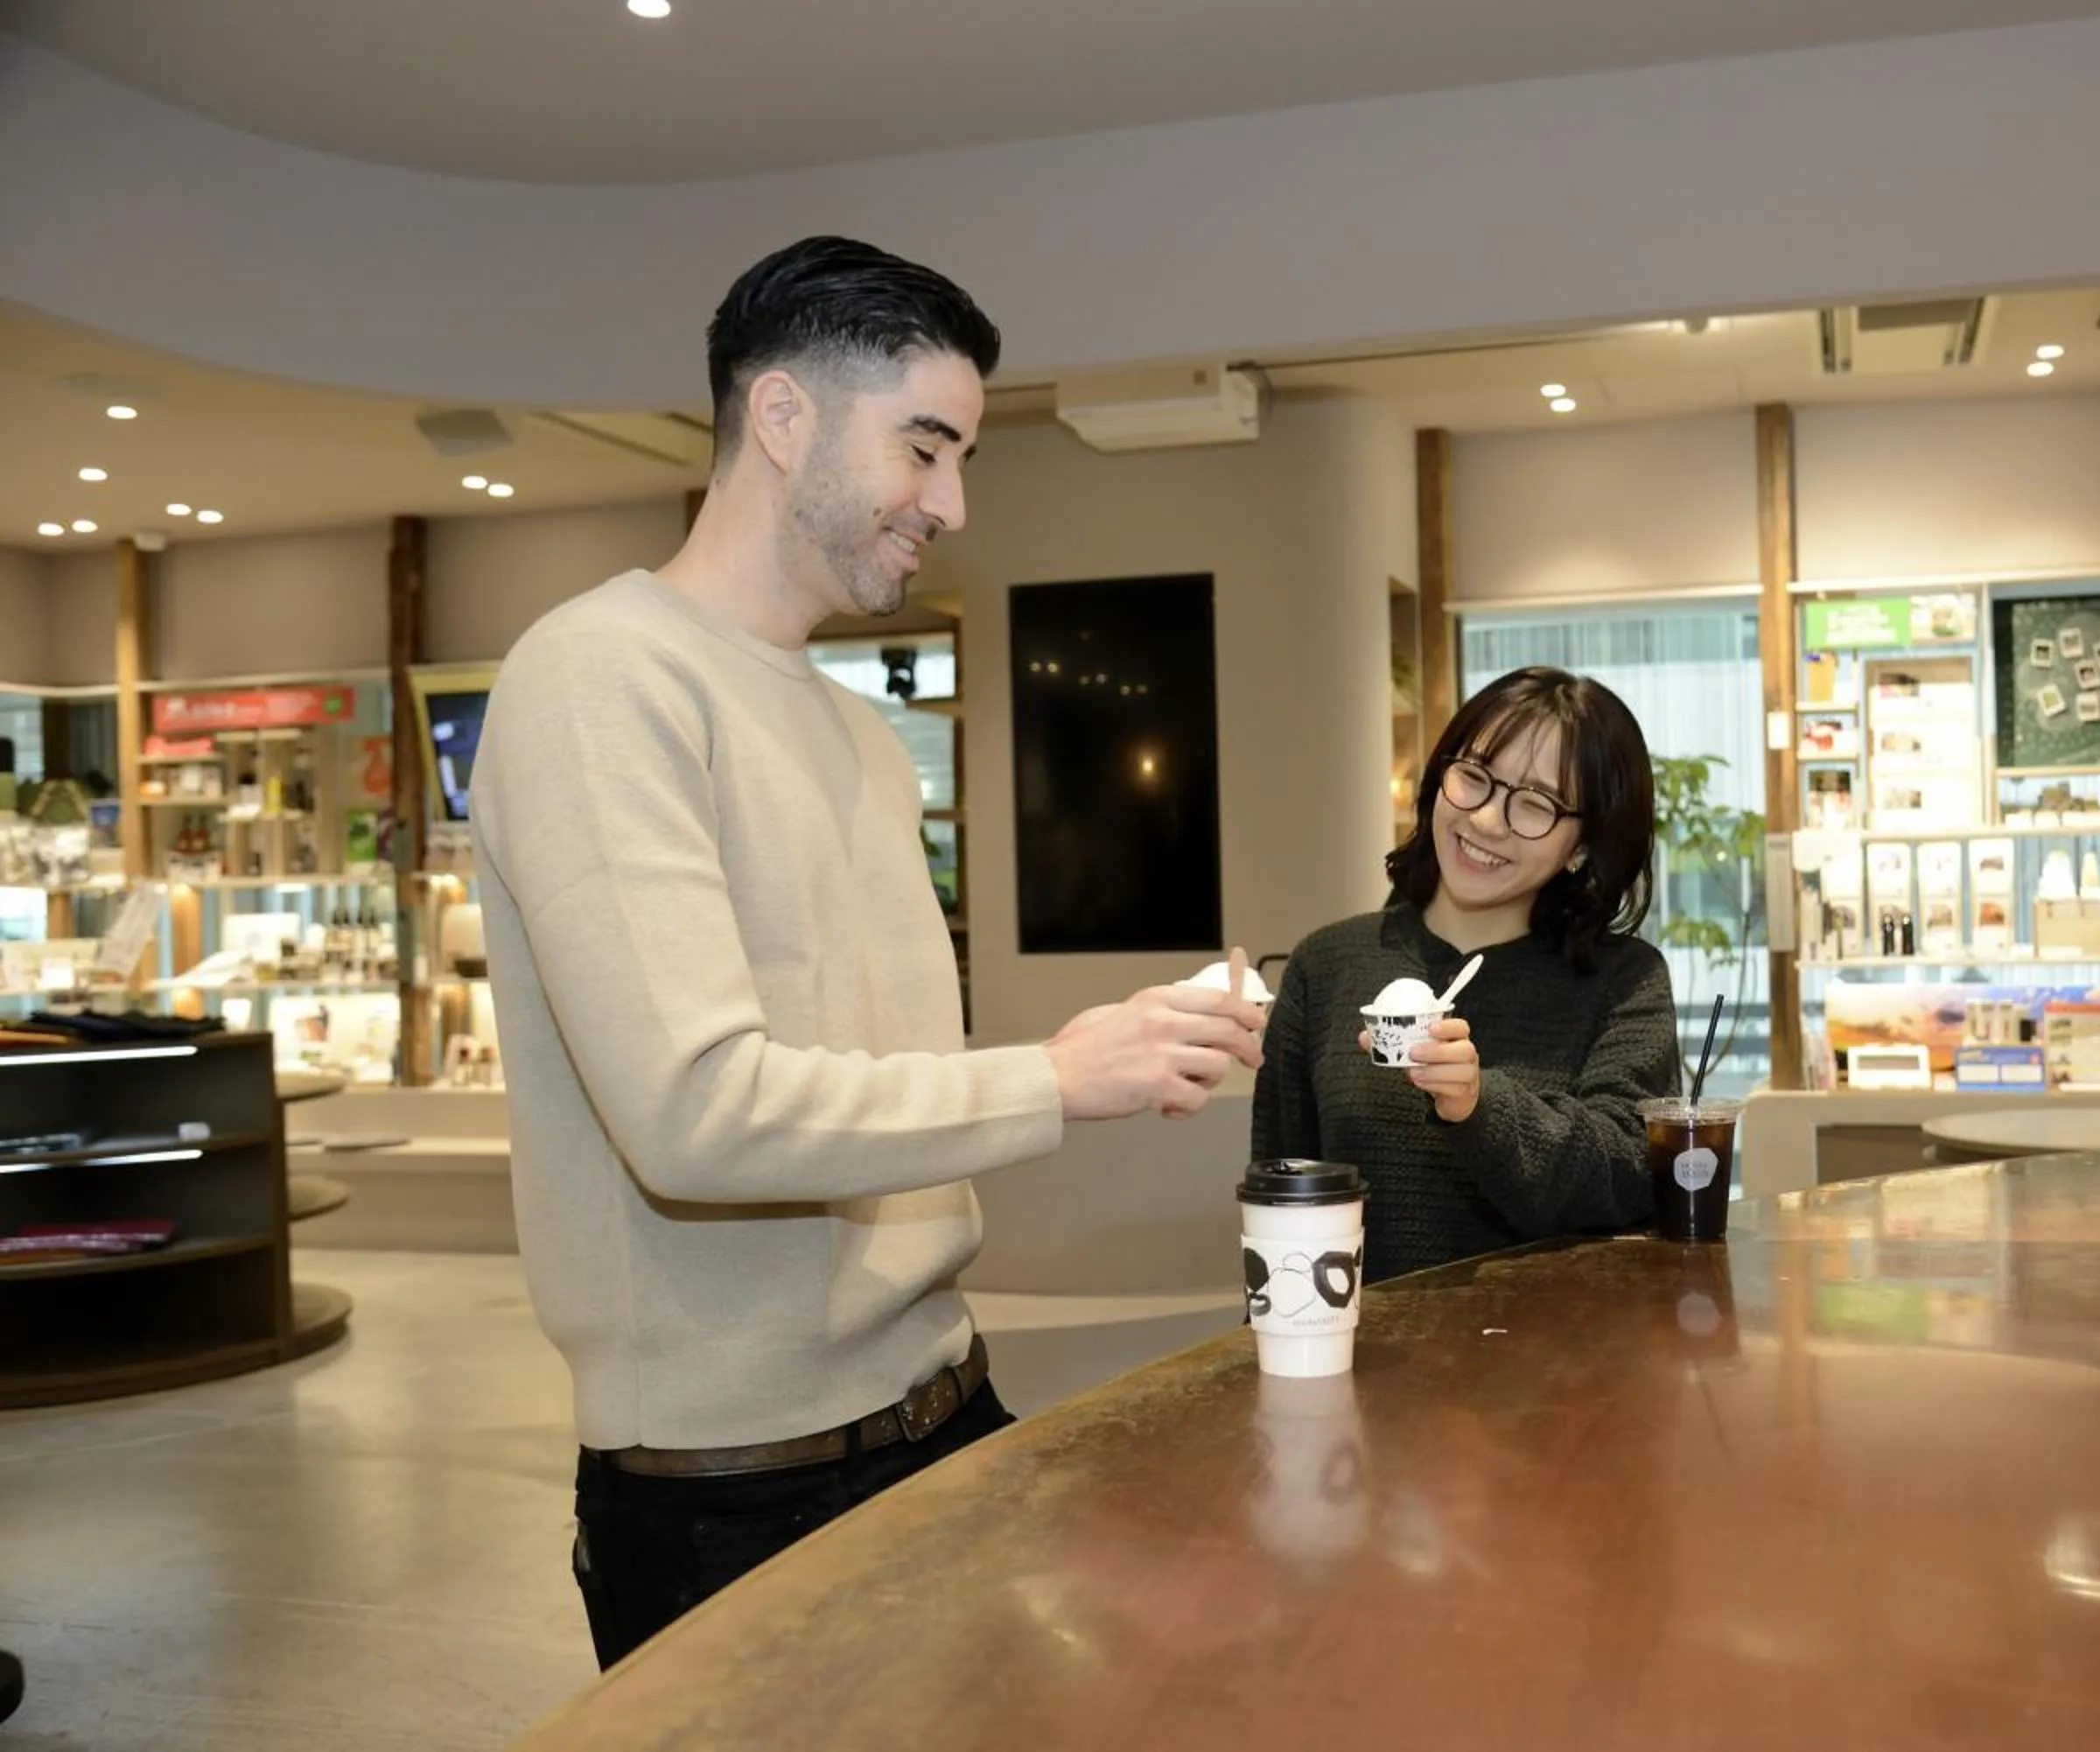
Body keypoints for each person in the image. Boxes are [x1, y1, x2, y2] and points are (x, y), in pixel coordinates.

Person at [472, 236, 1266, 1669]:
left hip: (944, 1402)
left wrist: (1105, 1043)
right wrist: (1053, 1077)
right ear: (783, 419)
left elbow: (867, 1076)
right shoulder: (599, 678)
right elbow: (695, 1114)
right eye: (924, 446)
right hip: (737, 1489)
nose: (952, 503)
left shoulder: (854, 728)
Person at [1253, 667, 1681, 1282]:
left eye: (1534, 804)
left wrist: (1480, 1105)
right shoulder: (1327, 965)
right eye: (1474, 778)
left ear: (1583, 847)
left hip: (1561, 1365)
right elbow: (1279, 1200)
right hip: (1361, 1362)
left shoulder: (1624, 980)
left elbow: (1631, 1174)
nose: (1485, 821)